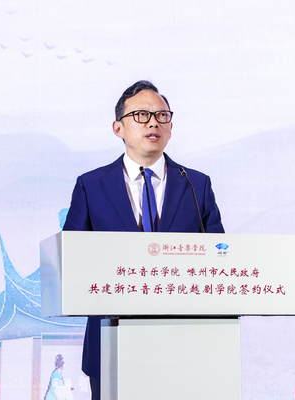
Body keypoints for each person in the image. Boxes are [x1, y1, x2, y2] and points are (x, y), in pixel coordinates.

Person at [62, 80, 224, 399]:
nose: (153, 123)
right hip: (111, 341)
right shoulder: (91, 186)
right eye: (141, 115)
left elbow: (220, 259)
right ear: (118, 128)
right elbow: (69, 259)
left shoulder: (196, 185)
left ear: (171, 127)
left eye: (162, 116)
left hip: (184, 346)